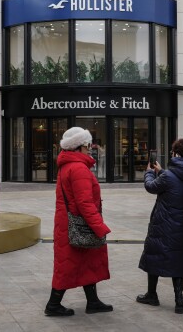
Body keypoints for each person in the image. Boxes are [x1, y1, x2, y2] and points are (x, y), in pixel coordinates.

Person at [45, 127, 112, 317]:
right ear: (78, 147)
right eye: (87, 145)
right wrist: (99, 226)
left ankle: (93, 302)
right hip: (78, 224)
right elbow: (84, 203)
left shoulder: (69, 165)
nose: (90, 148)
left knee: (86, 261)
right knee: (68, 265)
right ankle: (53, 305)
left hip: (70, 223)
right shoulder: (78, 168)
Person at [136, 138, 183, 314]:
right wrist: (162, 171)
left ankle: (152, 294)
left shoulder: (169, 175)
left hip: (163, 221)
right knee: (179, 258)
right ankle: (179, 301)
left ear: (176, 154)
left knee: (154, 253)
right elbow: (177, 182)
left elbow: (151, 187)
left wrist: (149, 172)